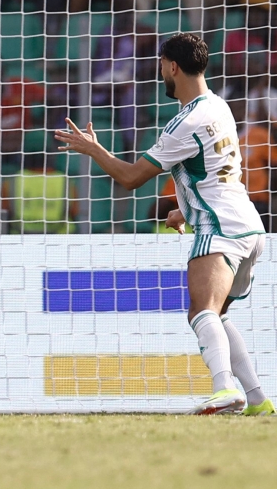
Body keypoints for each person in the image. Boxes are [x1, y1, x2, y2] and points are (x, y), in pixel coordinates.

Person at [55, 33, 273, 416]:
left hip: (219, 228)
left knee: (201, 311)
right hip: (250, 227)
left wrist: (94, 148)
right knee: (218, 315)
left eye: (160, 66)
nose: (160, 73)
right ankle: (256, 398)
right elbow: (214, 173)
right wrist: (183, 209)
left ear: (173, 66)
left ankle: (225, 390)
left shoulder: (183, 123)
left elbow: (132, 177)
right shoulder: (219, 106)